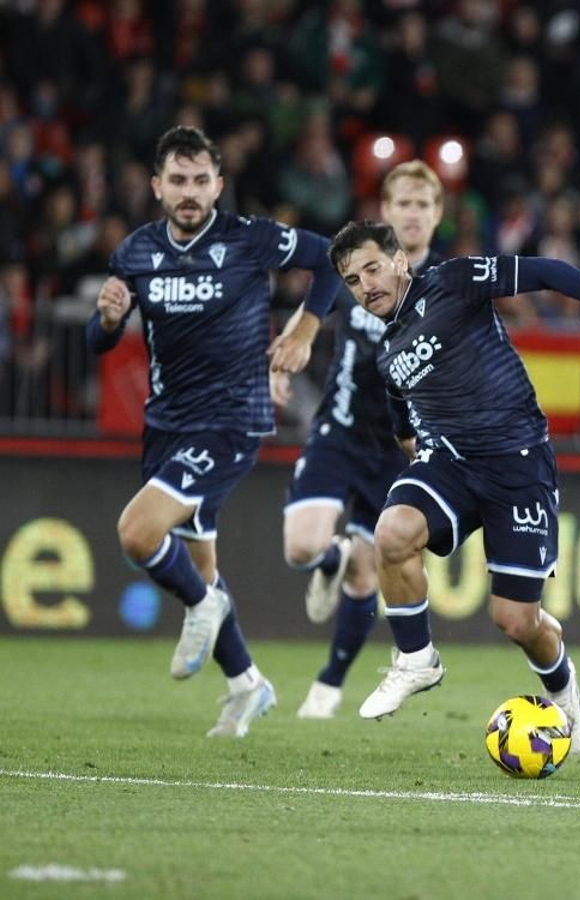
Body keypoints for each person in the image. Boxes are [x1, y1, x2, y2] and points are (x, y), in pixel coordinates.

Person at [326, 220, 580, 758]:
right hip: (451, 467)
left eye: (373, 268)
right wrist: (422, 474)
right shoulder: (385, 354)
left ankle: (565, 688)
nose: (367, 285)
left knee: (515, 620)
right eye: (353, 280)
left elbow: (544, 271)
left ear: (401, 261)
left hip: (518, 464)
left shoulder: (453, 281)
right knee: (393, 531)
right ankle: (416, 660)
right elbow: (402, 428)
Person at [86, 125, 341, 736]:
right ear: (157, 187)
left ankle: (204, 606)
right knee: (198, 565)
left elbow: (330, 257)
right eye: (178, 180)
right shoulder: (136, 253)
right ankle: (246, 684)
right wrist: (106, 318)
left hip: (232, 419)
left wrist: (305, 328)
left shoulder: (248, 238)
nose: (190, 191)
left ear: (219, 185)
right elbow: (97, 342)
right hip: (166, 425)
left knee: (138, 532)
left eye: (201, 180)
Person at [272, 162, 448, 720]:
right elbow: (314, 307)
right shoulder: (356, 271)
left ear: (437, 214)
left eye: (424, 204)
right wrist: (290, 351)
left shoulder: (448, 283)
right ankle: (332, 557)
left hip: (400, 449)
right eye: (403, 204)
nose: (413, 214)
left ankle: (328, 687)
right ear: (387, 213)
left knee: (373, 570)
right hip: (340, 431)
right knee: (301, 547)